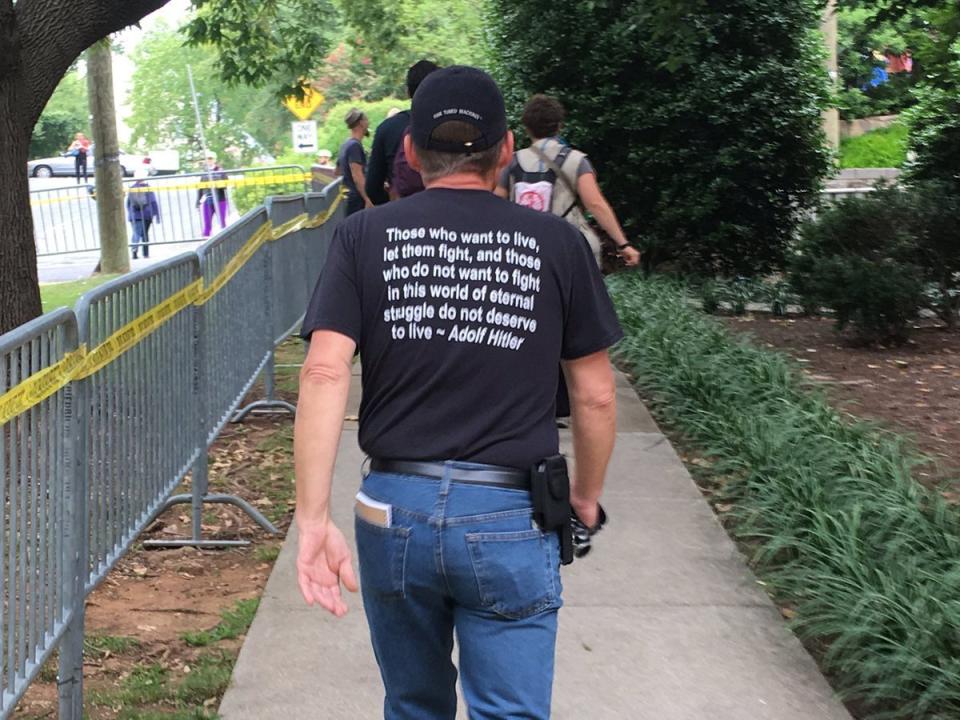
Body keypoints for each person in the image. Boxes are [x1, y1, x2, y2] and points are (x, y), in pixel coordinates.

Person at [295, 66, 621, 719]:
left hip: (393, 510)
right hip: (511, 513)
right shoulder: (557, 244)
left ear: (411, 152)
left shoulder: (364, 236)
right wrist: (583, 497)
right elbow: (595, 395)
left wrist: (313, 517)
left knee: (414, 705)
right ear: (506, 151)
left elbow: (325, 372)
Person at [495, 94, 641, 270]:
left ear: (527, 127)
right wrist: (623, 244)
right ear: (559, 126)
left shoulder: (512, 162)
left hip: (524, 250)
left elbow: (495, 204)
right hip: (568, 247)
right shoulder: (577, 161)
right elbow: (596, 204)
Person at [365, 60, 440, 205]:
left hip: (400, 211)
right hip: (443, 211)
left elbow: (372, 187)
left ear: (408, 92)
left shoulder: (387, 128)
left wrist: (390, 206)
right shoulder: (450, 127)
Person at [337, 109, 373, 216]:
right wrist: (367, 199)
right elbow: (357, 175)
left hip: (348, 196)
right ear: (361, 123)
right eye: (366, 120)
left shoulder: (345, 145)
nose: (368, 123)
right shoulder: (355, 146)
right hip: (357, 199)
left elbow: (337, 171)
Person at [127, 167, 160, 260]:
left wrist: (130, 214)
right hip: (146, 215)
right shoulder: (147, 188)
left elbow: (128, 203)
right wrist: (156, 215)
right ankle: (145, 253)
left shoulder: (132, 189)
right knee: (145, 233)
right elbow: (153, 202)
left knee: (136, 232)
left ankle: (134, 250)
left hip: (134, 215)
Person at [196, 151, 228, 237]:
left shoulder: (221, 171)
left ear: (214, 160)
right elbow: (200, 188)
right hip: (208, 200)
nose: (209, 160)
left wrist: (219, 184)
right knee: (207, 224)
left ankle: (224, 239)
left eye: (210, 158)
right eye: (207, 159)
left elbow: (226, 185)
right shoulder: (204, 172)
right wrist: (198, 202)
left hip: (220, 199)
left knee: (222, 222)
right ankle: (205, 243)